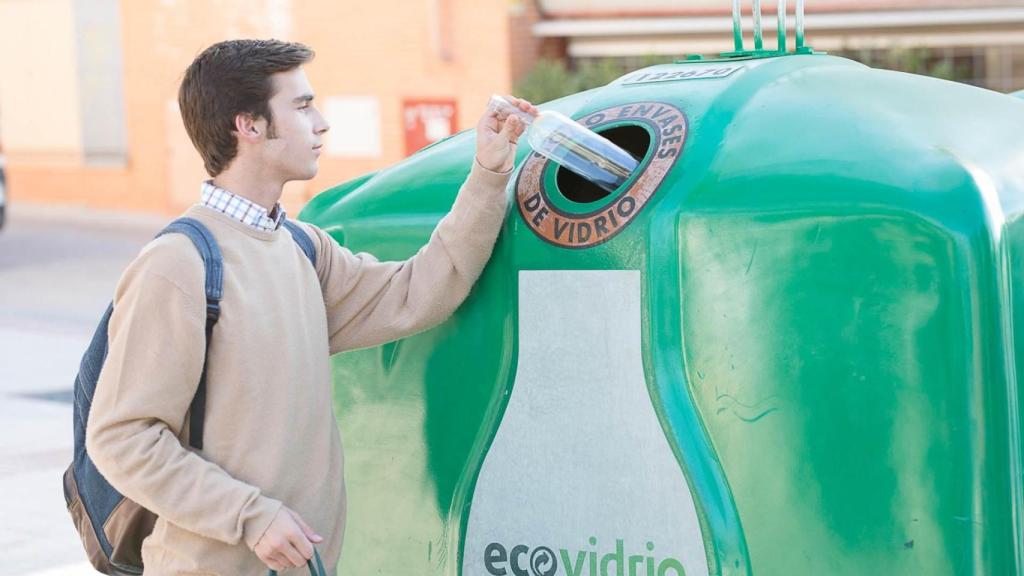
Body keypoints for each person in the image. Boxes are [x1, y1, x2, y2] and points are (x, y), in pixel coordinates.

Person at [85, 38, 536, 574]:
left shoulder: (303, 248)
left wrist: (488, 172)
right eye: (301, 107)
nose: (320, 124)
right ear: (248, 126)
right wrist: (250, 515)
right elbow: (121, 438)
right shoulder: (177, 265)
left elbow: (418, 292)